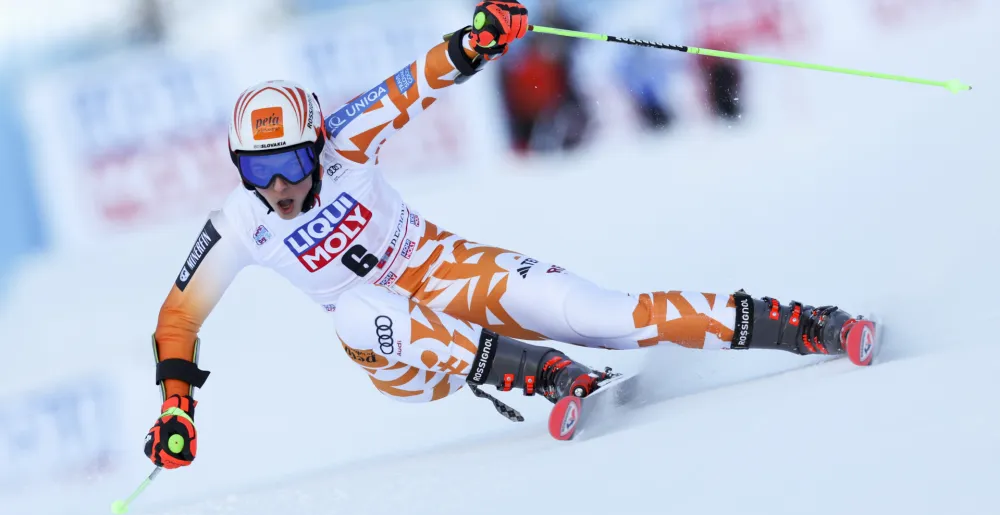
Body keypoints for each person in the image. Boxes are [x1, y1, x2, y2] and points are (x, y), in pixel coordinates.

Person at [144, 1, 875, 469]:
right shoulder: (239, 224)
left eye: (291, 163)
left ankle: (809, 326)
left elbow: (416, 82)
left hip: (446, 269)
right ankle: (548, 375)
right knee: (357, 309)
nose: (278, 185)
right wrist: (178, 405)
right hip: (399, 357)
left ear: (316, 142)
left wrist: (479, 39)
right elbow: (177, 319)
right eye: (257, 170)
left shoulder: (346, 139)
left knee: (604, 315)